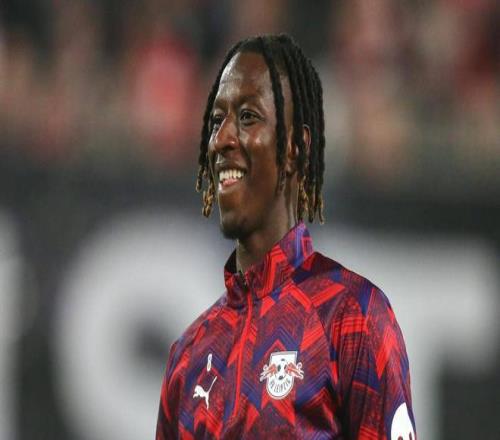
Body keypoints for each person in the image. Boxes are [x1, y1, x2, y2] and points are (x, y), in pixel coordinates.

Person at [156, 34, 416, 439]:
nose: (221, 139)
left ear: (296, 147)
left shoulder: (352, 317)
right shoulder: (188, 357)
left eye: (247, 117)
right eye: (216, 121)